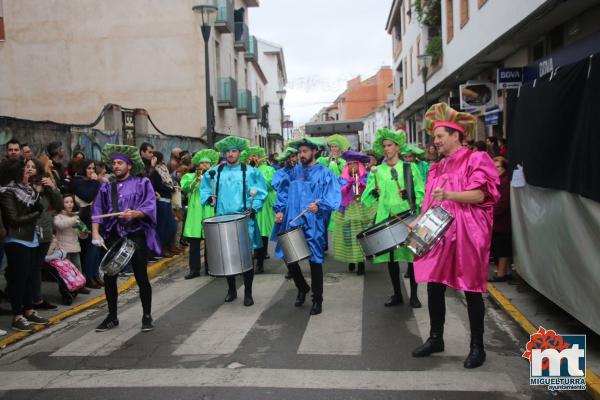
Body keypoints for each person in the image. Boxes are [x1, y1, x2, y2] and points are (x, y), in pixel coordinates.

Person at [411, 103, 499, 369]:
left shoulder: (476, 159)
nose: (435, 141)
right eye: (434, 137)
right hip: (438, 233)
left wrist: (449, 195)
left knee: (471, 289)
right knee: (434, 284)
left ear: (456, 135)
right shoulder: (437, 167)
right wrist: (417, 221)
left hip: (468, 233)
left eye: (439, 136)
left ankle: (477, 347)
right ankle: (436, 338)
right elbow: (429, 202)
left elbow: (481, 195)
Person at [91, 144, 160, 332]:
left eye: (120, 163)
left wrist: (135, 214)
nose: (116, 166)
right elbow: (97, 210)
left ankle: (147, 316)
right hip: (114, 235)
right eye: (114, 163)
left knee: (141, 277)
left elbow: (149, 206)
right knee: (109, 277)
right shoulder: (107, 187)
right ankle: (112, 317)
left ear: (129, 165)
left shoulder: (141, 182)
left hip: (136, 235)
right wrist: (96, 233)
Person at [274, 137, 341, 315]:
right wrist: (280, 210)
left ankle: (317, 300)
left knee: (315, 260)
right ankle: (302, 286)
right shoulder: (294, 171)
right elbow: (282, 190)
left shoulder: (324, 172)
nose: (301, 155)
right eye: (299, 152)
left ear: (314, 152)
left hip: (313, 221)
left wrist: (320, 206)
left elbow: (332, 194)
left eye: (304, 152)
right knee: (290, 257)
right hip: (293, 218)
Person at [200, 136, 267, 307]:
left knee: (246, 257)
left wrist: (254, 207)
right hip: (222, 219)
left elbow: (260, 192)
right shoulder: (216, 171)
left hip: (244, 219)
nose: (230, 154)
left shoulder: (250, 171)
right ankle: (231, 290)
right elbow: (205, 187)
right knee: (227, 255)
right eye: (228, 151)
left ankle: (248, 293)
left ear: (239, 152)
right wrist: (209, 198)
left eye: (234, 151)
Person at [361, 128, 423, 308]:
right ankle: (397, 294)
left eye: (390, 145)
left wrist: (409, 196)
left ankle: (414, 295)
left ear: (397, 147)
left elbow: (421, 192)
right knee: (391, 258)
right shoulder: (377, 171)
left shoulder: (409, 167)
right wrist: (374, 191)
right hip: (386, 218)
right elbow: (366, 197)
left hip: (407, 218)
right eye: (384, 146)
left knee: (411, 257)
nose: (386, 149)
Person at [0, 158, 50, 332]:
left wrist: (38, 193)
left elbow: (44, 206)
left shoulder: (28, 189)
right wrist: (35, 215)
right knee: (18, 279)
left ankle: (29, 311)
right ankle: (17, 316)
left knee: (29, 277)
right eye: (25, 169)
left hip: (31, 238)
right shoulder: (8, 192)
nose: (28, 171)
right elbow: (13, 220)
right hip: (17, 239)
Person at [28, 158, 64, 309]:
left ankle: (37, 299)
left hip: (44, 232)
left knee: (36, 267)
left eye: (33, 167)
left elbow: (59, 205)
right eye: (27, 166)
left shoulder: (45, 186)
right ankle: (25, 300)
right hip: (26, 232)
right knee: (26, 267)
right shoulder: (22, 186)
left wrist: (53, 188)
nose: (29, 169)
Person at [332, 150, 376, 275]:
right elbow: (339, 191)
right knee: (348, 237)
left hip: (362, 210)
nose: (352, 166)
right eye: (349, 164)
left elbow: (371, 190)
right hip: (347, 211)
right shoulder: (343, 178)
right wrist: (348, 185)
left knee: (361, 235)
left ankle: (361, 263)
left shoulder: (366, 177)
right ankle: (351, 260)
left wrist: (362, 185)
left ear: (359, 165)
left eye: (354, 164)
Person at [181, 149, 218, 279]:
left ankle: (211, 267)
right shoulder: (189, 176)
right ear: (197, 165)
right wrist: (197, 178)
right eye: (202, 163)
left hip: (209, 210)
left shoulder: (214, 177)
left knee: (211, 242)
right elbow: (185, 188)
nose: (205, 165)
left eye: (208, 163)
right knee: (194, 243)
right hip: (195, 212)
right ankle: (194, 269)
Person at [241, 146, 275, 274]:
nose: (253, 158)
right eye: (251, 156)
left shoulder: (268, 169)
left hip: (263, 204)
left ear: (260, 157)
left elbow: (269, 185)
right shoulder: (244, 170)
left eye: (255, 155)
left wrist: (256, 172)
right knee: (248, 232)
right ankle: (248, 262)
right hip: (248, 204)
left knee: (261, 232)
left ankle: (260, 263)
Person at [72, 160, 103, 288]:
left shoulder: (91, 182)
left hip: (94, 216)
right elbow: (88, 196)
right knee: (90, 248)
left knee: (96, 247)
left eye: (93, 169)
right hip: (83, 218)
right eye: (89, 168)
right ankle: (88, 276)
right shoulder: (77, 182)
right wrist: (96, 182)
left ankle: (95, 274)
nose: (92, 171)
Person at [54, 194, 90, 296]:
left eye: (71, 202)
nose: (70, 204)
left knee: (77, 269)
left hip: (75, 247)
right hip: (63, 249)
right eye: (66, 202)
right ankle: (66, 291)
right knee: (65, 273)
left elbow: (80, 235)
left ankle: (80, 286)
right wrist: (75, 219)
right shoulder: (58, 216)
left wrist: (83, 232)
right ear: (61, 203)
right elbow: (61, 225)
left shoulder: (75, 217)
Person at [149, 151, 180, 258]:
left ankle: (167, 246)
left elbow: (168, 182)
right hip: (160, 201)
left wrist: (172, 188)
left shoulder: (164, 170)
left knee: (171, 226)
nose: (163, 161)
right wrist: (170, 189)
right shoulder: (154, 172)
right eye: (161, 159)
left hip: (167, 201)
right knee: (163, 227)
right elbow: (158, 186)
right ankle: (161, 248)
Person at [489, 156, 512, 282]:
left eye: (498, 167)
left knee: (502, 247)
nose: (495, 169)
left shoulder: (504, 181)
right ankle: (505, 271)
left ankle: (501, 274)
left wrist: (492, 212)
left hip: (502, 219)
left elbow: (503, 201)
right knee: (501, 246)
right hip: (499, 218)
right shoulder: (499, 180)